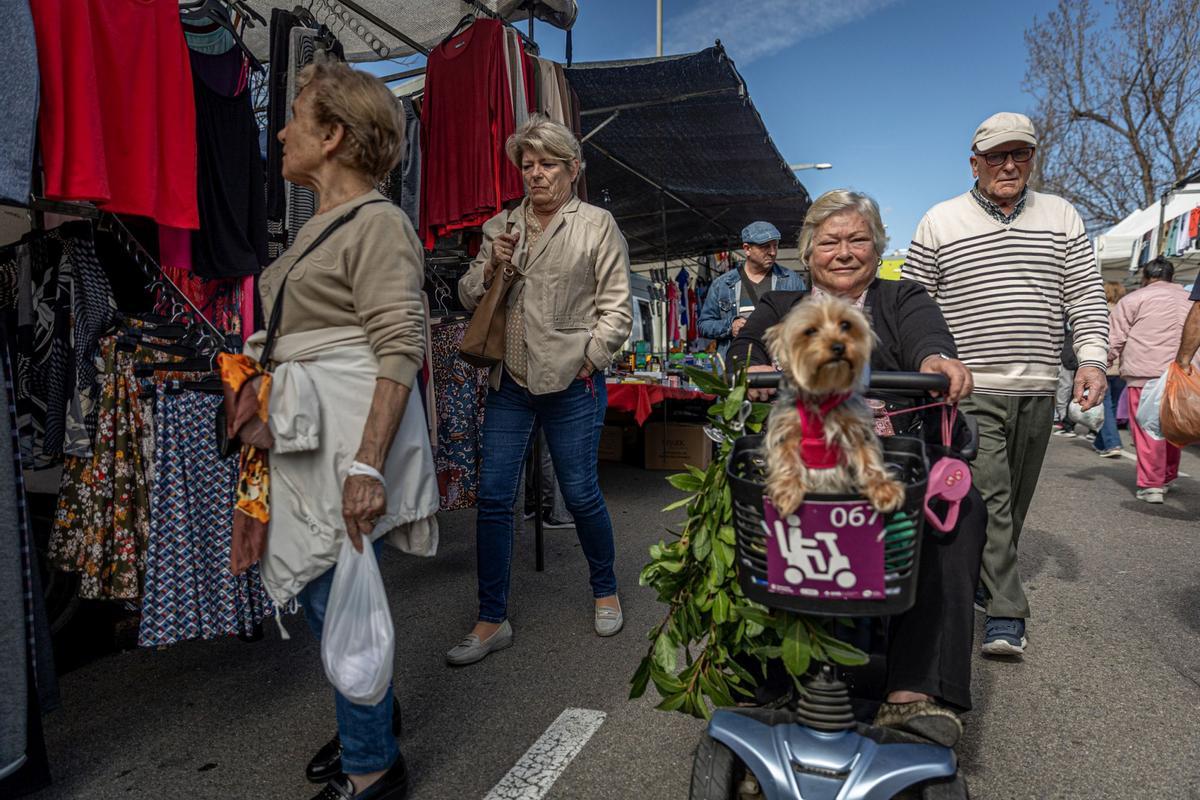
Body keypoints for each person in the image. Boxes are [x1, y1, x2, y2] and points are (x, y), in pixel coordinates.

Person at [729, 190, 983, 747]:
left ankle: (914, 690)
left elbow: (928, 340)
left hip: (892, 452)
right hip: (804, 451)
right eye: (829, 241)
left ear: (877, 247)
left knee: (959, 514)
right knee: (745, 504)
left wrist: (937, 360)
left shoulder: (901, 297)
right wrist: (769, 362)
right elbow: (743, 356)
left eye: (858, 239)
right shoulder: (780, 306)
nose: (844, 252)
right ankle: (765, 679)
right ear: (808, 251)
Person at [252, 57, 439, 800]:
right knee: (330, 593)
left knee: (338, 597)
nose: (279, 131)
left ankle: (373, 767)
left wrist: (368, 464)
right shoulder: (322, 225)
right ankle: (375, 717)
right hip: (311, 432)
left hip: (344, 438)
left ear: (331, 135)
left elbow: (400, 343)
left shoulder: (379, 223)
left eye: (293, 117)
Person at [903, 111, 1108, 657]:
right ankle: (1007, 613)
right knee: (991, 496)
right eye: (997, 155)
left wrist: (1091, 361)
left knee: (1012, 502)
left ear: (1033, 159)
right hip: (969, 387)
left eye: (1020, 154)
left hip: (1040, 386)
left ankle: (979, 577)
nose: (1009, 165)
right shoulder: (940, 221)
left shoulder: (1062, 216)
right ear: (975, 163)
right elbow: (913, 302)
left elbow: (1085, 295)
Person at [451, 116, 633, 666]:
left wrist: (590, 361)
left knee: (579, 494)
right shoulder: (501, 226)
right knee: (494, 498)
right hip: (509, 381)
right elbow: (465, 294)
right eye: (527, 165)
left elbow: (617, 310)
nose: (536, 174)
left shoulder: (595, 224)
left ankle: (605, 589)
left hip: (571, 383)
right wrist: (490, 270)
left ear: (572, 170)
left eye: (547, 164)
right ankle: (491, 618)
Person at [1110, 257, 1196, 503]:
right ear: (1172, 277)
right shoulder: (1189, 298)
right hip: (1184, 372)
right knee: (1174, 425)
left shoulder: (1133, 299)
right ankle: (1168, 476)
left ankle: (1152, 484)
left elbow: (1114, 337)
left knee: (1148, 429)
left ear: (1146, 277)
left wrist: (1102, 363)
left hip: (1145, 372)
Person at [698, 220, 804, 359]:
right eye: (765, 247)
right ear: (747, 249)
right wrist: (731, 326)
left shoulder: (791, 280)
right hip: (736, 367)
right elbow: (704, 325)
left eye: (775, 246)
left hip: (779, 365)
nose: (772, 252)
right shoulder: (722, 284)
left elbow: (808, 319)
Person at [1093, 281, 1128, 457]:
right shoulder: (1125, 310)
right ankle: (1100, 442)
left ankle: (1112, 443)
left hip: (1105, 364)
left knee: (1104, 405)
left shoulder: (1101, 311)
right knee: (1111, 406)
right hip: (1122, 366)